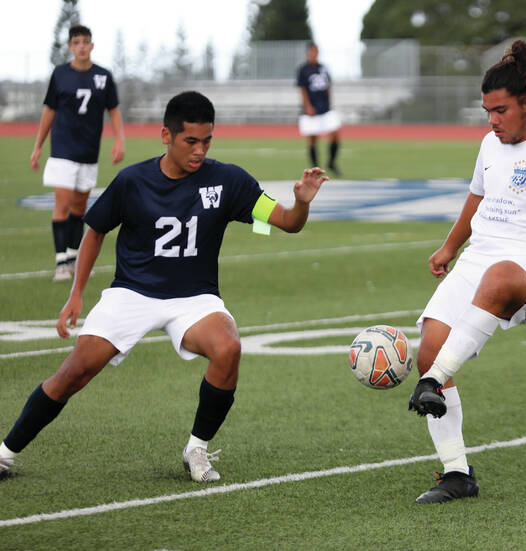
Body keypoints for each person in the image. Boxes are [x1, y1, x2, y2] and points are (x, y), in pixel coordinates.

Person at [0, 91, 328, 482]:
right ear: (166, 136)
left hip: (194, 298)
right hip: (132, 293)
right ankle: (5, 452)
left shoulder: (228, 181)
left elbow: (288, 222)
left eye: (207, 141)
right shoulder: (133, 180)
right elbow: (96, 231)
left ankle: (197, 450)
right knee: (75, 372)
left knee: (229, 347)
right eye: (191, 141)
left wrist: (302, 203)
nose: (200, 151)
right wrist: (76, 294)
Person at [407, 40, 526, 504]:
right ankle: (456, 474)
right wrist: (450, 245)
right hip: (480, 257)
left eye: (500, 110)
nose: (492, 120)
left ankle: (433, 381)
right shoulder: (490, 143)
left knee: (500, 278)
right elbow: (477, 196)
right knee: (429, 345)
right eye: (487, 110)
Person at [30, 24, 126, 282]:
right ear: (71, 47)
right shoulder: (60, 74)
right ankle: (61, 262)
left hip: (88, 151)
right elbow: (49, 110)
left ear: (92, 45)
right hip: (62, 149)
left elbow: (113, 110)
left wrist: (119, 140)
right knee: (62, 205)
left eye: (86, 42)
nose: (82, 46)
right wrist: (38, 145)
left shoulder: (103, 76)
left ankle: (74, 259)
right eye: (77, 42)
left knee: (80, 208)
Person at [296, 42, 342, 176]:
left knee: (335, 134)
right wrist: (307, 106)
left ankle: (332, 162)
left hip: (325, 108)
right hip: (311, 109)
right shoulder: (303, 69)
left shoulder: (323, 68)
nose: (314, 54)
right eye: (311, 51)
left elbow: (328, 86)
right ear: (307, 52)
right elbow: (303, 89)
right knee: (313, 138)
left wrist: (329, 101)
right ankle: (315, 168)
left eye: (316, 51)